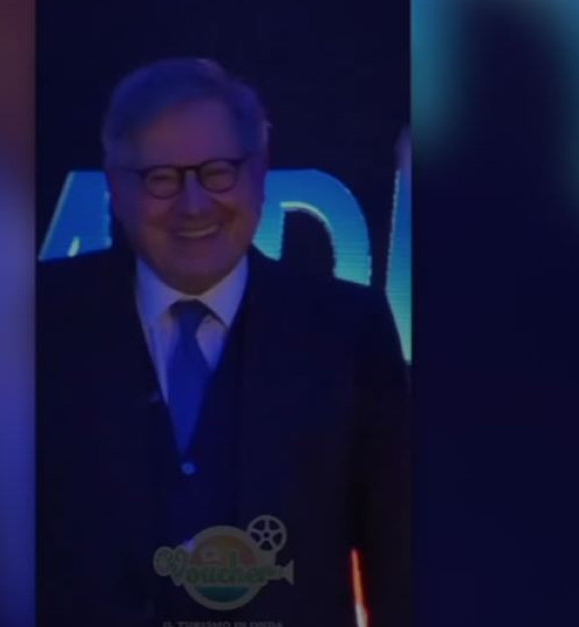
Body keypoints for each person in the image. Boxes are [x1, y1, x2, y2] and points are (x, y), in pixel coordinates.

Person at [38, 58, 410, 626]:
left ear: (260, 172)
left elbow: (400, 567)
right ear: (114, 185)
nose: (193, 205)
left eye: (218, 172)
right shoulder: (35, 320)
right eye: (161, 178)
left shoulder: (349, 331)